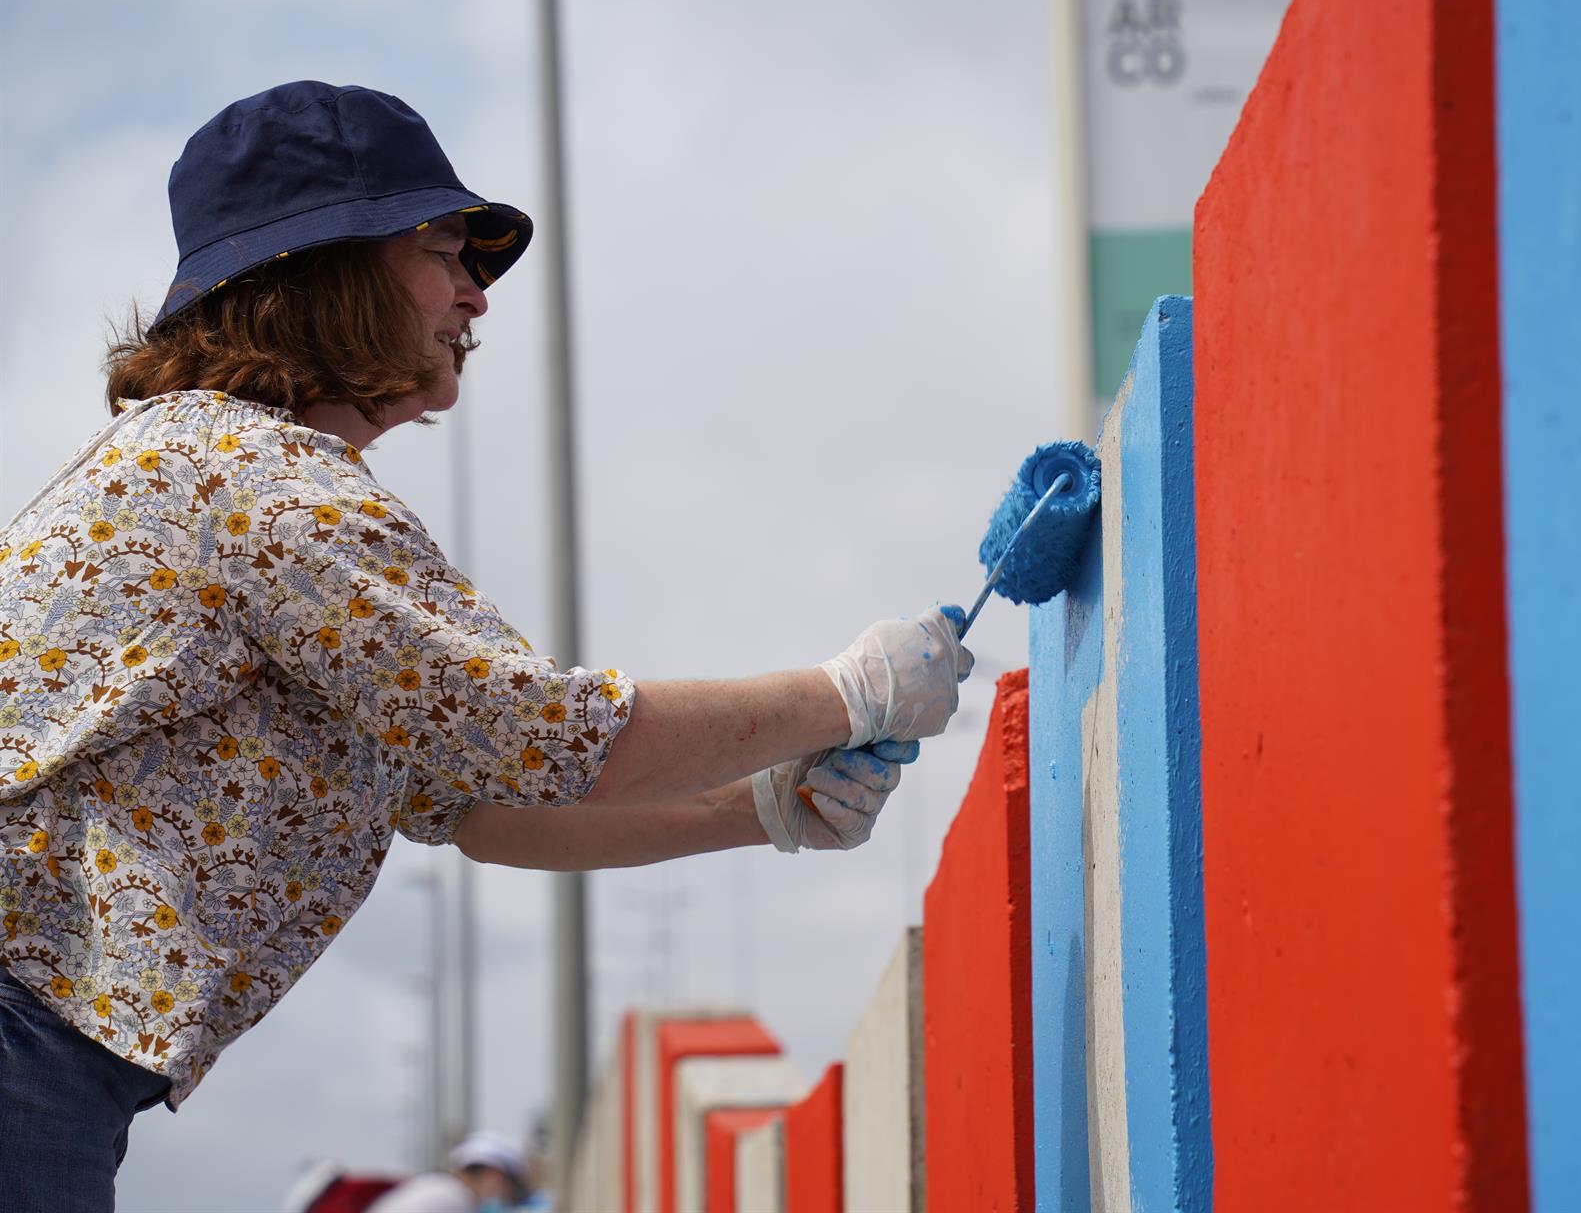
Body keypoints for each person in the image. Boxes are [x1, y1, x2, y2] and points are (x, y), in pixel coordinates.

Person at [0, 81, 971, 1211]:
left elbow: (478, 805)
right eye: (447, 250)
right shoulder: (261, 483)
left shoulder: (222, 471)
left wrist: (756, 809)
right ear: (329, 267)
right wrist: (848, 694)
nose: (477, 296)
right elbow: (528, 737)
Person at [363, 1132, 532, 1213]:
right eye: (508, 1189)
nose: (504, 1198)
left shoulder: (435, 1188)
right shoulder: (452, 1201)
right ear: (493, 1175)